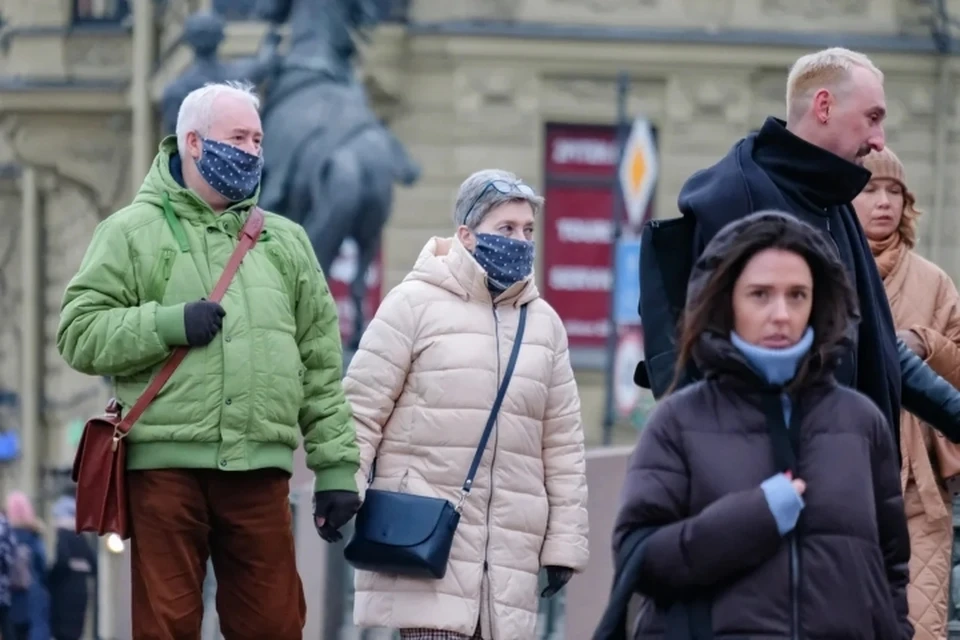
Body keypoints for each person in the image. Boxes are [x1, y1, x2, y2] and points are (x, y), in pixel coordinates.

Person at [55, 81, 361, 639]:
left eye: (258, 139)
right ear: (194, 143)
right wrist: (167, 323)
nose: (251, 151)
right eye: (237, 137)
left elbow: (320, 363)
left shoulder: (286, 243)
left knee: (275, 625)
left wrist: (335, 467)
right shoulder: (129, 232)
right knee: (166, 628)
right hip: (163, 474)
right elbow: (78, 333)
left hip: (259, 472)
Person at [640, 46, 960, 451]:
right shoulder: (739, 199)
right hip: (771, 484)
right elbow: (707, 360)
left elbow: (874, 341)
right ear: (824, 106)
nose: (879, 142)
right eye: (872, 118)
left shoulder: (832, 202)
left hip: (846, 474)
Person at [614, 210, 911, 639]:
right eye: (760, 295)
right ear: (727, 299)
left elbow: (891, 570)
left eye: (797, 295)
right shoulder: (678, 421)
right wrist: (759, 515)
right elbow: (639, 560)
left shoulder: (861, 422)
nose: (781, 314)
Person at [343, 169, 590, 639]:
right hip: (425, 552)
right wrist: (342, 488)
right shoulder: (412, 304)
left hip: (508, 569)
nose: (520, 240)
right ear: (466, 235)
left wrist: (564, 544)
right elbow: (360, 410)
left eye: (528, 230)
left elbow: (562, 445)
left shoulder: (544, 325)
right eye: (506, 229)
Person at [854, 147, 960, 640]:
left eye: (894, 192)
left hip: (919, 488)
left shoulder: (935, 282)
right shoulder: (828, 268)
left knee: (920, 627)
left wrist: (928, 344)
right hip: (845, 476)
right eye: (870, 189)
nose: (883, 202)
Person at [47, 491, 96, 640]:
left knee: (63, 633)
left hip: (63, 594)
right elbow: (94, 566)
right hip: (81, 592)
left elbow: (62, 560)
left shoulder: (63, 535)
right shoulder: (82, 538)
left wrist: (49, 577)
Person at [5, 492, 49, 640]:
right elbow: (42, 564)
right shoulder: (34, 536)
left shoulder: (5, 535)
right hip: (32, 595)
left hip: (9, 597)